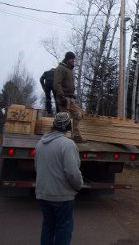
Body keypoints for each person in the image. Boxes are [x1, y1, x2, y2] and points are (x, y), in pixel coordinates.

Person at [35, 112, 83, 245]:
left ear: (53, 125)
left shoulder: (40, 144)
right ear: (69, 127)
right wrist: (79, 185)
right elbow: (72, 172)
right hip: (62, 196)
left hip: (43, 194)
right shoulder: (68, 144)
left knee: (48, 227)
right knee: (63, 228)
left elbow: (37, 167)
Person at [54, 52, 85, 143]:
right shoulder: (61, 68)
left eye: (74, 59)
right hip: (63, 98)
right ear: (67, 59)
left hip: (70, 98)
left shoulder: (69, 70)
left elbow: (68, 85)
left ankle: (76, 136)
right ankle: (60, 138)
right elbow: (57, 84)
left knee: (78, 115)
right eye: (72, 59)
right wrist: (61, 96)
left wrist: (72, 94)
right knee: (65, 118)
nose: (73, 61)